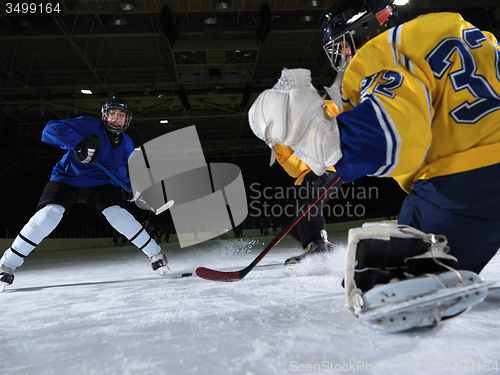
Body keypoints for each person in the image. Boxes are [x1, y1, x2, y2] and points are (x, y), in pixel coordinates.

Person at [249, 0, 499, 330]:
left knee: (387, 272)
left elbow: (395, 135)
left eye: (340, 46)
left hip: (466, 186)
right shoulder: (477, 36)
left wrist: (331, 144)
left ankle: (387, 269)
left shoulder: (384, 52)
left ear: (363, 28)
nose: (341, 57)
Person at [0, 97, 170, 292]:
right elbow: (49, 130)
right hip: (66, 179)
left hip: (101, 183)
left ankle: (156, 255)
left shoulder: (127, 144)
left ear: (127, 120)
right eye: (112, 114)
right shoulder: (87, 124)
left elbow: (120, 168)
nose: (116, 119)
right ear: (105, 115)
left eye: (121, 115)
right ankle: (6, 265)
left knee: (118, 214)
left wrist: (125, 186)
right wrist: (78, 142)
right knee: (49, 214)